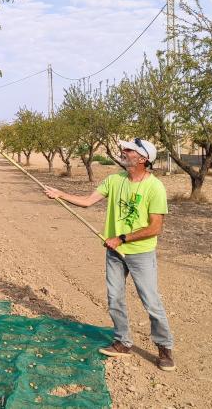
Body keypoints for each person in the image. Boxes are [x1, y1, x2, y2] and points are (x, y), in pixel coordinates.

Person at [42, 138, 176, 372]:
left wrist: (122, 238)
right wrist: (60, 194)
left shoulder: (154, 187)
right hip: (114, 252)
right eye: (124, 149)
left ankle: (164, 348)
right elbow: (87, 201)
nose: (123, 152)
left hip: (139, 253)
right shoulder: (114, 180)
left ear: (143, 159)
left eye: (129, 150)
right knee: (115, 298)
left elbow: (155, 228)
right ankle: (123, 342)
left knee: (151, 302)